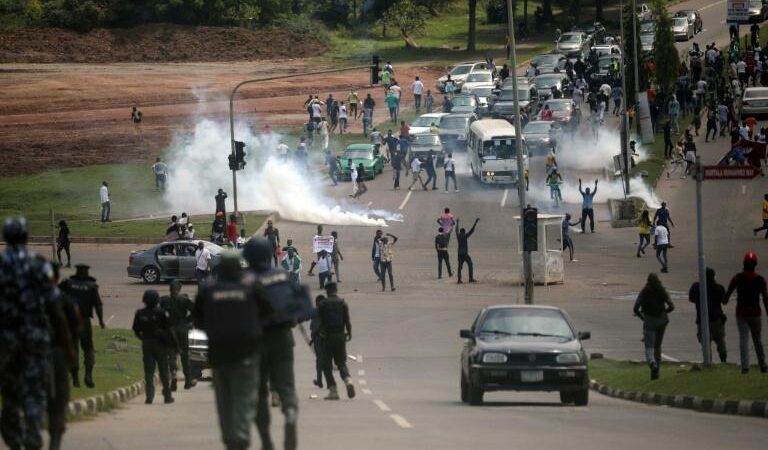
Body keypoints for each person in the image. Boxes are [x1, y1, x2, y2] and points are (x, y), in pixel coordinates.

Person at [242, 239, 314, 450]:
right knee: (287, 385)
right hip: (282, 338)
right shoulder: (283, 276)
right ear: (269, 255)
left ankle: (265, 438)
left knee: (259, 392)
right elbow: (305, 307)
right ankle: (290, 411)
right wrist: (291, 319)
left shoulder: (243, 280)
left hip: (254, 341)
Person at [194, 252, 270, 450]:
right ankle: (242, 433)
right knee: (244, 397)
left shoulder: (207, 289)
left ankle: (229, 438)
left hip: (219, 355)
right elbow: (269, 313)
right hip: (247, 353)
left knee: (224, 400)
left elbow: (197, 322)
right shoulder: (252, 286)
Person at [0, 217, 62, 450]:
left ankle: (15, 440)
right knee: (34, 394)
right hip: (34, 342)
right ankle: (33, 437)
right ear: (26, 237)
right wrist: (63, 340)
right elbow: (54, 305)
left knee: (10, 396)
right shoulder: (39, 266)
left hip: (5, 343)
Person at [47, 263, 78, 450]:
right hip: (56, 352)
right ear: (57, 277)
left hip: (28, 354)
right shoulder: (64, 300)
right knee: (60, 396)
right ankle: (55, 434)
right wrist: (71, 353)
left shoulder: (26, 298)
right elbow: (74, 329)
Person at [59, 263, 105, 388]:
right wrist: (101, 321)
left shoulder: (67, 284)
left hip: (70, 322)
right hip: (84, 321)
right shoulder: (91, 286)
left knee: (73, 348)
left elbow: (56, 297)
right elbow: (98, 305)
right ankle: (88, 375)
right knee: (88, 348)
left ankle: (75, 379)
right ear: (87, 273)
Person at [723, 251, 768, 374]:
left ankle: (745, 367)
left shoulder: (737, 278)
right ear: (755, 264)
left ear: (744, 263)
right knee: (757, 340)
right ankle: (763, 365)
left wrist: (725, 300)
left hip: (741, 313)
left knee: (744, 339)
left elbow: (729, 292)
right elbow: (765, 297)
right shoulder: (760, 280)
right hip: (755, 313)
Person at [133, 290, 175, 404]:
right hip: (160, 345)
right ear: (157, 300)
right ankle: (167, 395)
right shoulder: (162, 313)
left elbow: (136, 330)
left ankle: (149, 397)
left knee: (149, 371)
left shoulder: (140, 313)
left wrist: (143, 339)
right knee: (164, 371)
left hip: (147, 344)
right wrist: (172, 344)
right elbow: (169, 330)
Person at [317, 282, 355, 400]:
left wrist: (319, 334)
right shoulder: (342, 303)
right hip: (340, 337)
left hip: (327, 338)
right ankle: (348, 381)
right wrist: (348, 333)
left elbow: (320, 323)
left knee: (326, 364)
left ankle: (333, 390)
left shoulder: (323, 304)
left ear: (327, 291)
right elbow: (347, 321)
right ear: (336, 290)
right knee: (341, 363)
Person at [633, 273, 675, 380]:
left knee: (649, 348)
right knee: (658, 346)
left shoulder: (645, 291)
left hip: (649, 322)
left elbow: (636, 308)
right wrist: (664, 312)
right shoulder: (662, 290)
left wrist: (643, 318)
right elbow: (671, 306)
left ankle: (652, 364)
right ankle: (657, 372)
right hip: (662, 321)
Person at [160, 280, 197, 391]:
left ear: (170, 288)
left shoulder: (164, 300)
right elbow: (195, 312)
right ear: (180, 288)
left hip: (170, 330)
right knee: (185, 355)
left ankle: (174, 376)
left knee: (171, 355)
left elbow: (160, 314)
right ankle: (188, 380)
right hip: (182, 329)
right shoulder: (184, 300)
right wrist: (187, 320)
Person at [689, 268, 729, 363]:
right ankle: (723, 360)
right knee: (720, 340)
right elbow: (724, 301)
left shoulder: (696, 287)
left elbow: (691, 298)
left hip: (702, 319)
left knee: (705, 343)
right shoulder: (719, 288)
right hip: (716, 318)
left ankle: (708, 361)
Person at [309, 295, 326, 389]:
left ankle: (319, 380)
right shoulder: (328, 310)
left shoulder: (315, 311)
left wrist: (313, 338)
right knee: (326, 359)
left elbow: (313, 327)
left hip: (318, 338)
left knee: (319, 360)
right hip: (328, 338)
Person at [456, 218, 479, 284]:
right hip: (465, 254)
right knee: (470, 264)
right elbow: (472, 230)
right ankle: (470, 278)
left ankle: (459, 280)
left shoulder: (458, 236)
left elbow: (456, 230)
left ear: (460, 232)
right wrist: (475, 222)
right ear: (464, 232)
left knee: (459, 267)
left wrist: (457, 222)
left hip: (459, 254)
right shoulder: (465, 236)